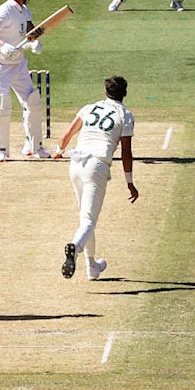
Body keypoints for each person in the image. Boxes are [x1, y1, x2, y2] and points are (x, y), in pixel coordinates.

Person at [52, 76, 139, 280]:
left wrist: (58, 150)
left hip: (75, 163)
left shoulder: (90, 107)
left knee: (86, 218)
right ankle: (75, 245)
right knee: (88, 221)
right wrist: (130, 182)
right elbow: (126, 152)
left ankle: (92, 267)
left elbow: (66, 135)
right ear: (124, 94)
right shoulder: (125, 115)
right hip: (96, 166)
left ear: (105, 92)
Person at [0, 0, 50, 162]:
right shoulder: (3, 11)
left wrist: (35, 42)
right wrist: (2, 47)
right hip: (0, 66)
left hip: (19, 64)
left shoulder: (24, 10)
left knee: (33, 101)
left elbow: (31, 31)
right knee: (2, 105)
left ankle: (34, 146)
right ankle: (0, 151)